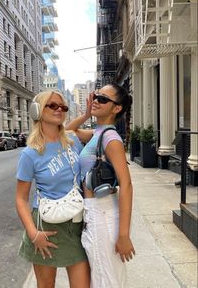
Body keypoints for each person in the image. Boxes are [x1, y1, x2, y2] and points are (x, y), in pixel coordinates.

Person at [15, 90, 90, 288]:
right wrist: (33, 234)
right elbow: (21, 199)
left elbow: (102, 133)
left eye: (63, 107)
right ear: (37, 110)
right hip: (46, 227)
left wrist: (88, 115)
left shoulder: (73, 142)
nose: (59, 109)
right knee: (47, 284)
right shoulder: (30, 153)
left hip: (76, 224)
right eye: (53, 105)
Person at [65, 83, 135, 288]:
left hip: (103, 215)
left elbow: (127, 185)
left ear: (117, 108)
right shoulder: (99, 133)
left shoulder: (111, 139)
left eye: (103, 99)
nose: (96, 100)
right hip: (94, 213)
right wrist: (87, 114)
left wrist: (123, 235)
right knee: (101, 277)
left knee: (108, 280)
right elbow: (65, 132)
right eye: (96, 96)